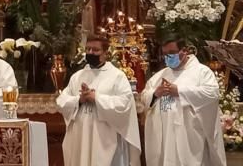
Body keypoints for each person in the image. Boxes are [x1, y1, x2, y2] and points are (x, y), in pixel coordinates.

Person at [56, 35, 141, 166]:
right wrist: (79, 99)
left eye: (95, 50)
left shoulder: (117, 76)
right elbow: (61, 101)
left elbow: (125, 103)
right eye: (88, 49)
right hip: (81, 136)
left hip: (105, 138)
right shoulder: (77, 76)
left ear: (106, 53)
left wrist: (97, 98)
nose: (90, 52)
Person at [142, 36, 226, 166]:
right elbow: (144, 97)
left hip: (189, 137)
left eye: (171, 53)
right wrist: (155, 94)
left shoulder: (201, 72)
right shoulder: (160, 75)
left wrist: (180, 91)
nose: (168, 57)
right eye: (164, 54)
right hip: (164, 136)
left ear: (185, 51)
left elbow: (212, 93)